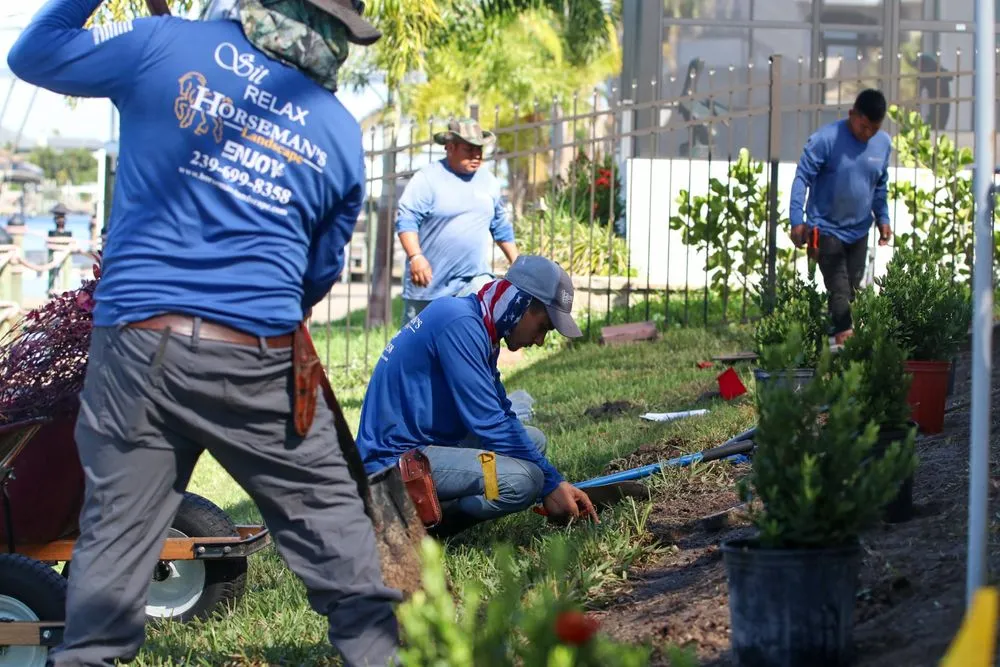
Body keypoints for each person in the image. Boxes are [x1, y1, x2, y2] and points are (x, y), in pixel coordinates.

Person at [8, 1, 402, 666]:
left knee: (110, 561)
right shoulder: (335, 130)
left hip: (134, 348)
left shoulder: (161, 44)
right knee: (339, 544)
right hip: (254, 355)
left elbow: (34, 51)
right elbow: (316, 274)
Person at [356, 254, 598, 539]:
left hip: (426, 445)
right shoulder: (460, 325)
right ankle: (420, 529)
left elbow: (501, 412)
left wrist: (552, 482)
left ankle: (434, 505)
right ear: (523, 305)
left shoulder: (478, 325)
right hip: (393, 462)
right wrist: (551, 483)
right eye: (544, 326)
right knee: (524, 480)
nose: (540, 340)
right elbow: (489, 421)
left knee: (533, 442)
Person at [788, 88, 893, 346]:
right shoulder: (826, 139)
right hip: (825, 228)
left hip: (859, 230)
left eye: (874, 129)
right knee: (840, 289)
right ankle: (845, 345)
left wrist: (883, 217)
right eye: (863, 126)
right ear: (851, 114)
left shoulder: (883, 144)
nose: (867, 134)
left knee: (852, 291)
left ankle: (830, 340)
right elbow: (802, 178)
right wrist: (796, 220)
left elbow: (880, 185)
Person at [395, 118, 520, 325]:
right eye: (469, 149)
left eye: (479, 148)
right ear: (450, 147)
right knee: (417, 348)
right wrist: (416, 256)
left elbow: (500, 227)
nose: (477, 154)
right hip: (429, 285)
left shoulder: (489, 182)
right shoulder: (428, 179)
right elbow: (406, 219)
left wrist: (517, 263)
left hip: (473, 282)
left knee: (477, 334)